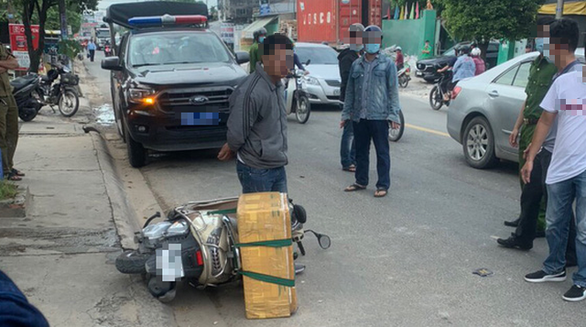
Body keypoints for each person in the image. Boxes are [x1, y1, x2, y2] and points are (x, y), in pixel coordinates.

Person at [497, 17, 577, 258]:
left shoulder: (576, 74)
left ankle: (570, 254)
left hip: (557, 147)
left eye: (548, 40)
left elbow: (564, 117)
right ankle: (524, 237)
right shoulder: (550, 70)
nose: (544, 44)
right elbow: (538, 107)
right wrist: (527, 139)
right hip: (542, 140)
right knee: (532, 190)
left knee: (557, 200)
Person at [522, 18, 586, 302]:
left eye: (548, 42)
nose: (544, 47)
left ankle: (583, 280)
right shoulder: (560, 81)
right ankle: (554, 267)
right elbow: (546, 121)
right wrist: (531, 158)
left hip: (584, 167)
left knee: (584, 230)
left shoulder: (583, 74)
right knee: (555, 222)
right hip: (560, 164)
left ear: (559, 45)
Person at [504, 17, 559, 233]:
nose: (539, 40)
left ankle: (539, 222)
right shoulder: (536, 64)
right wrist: (517, 127)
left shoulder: (555, 67)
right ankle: (525, 216)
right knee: (523, 174)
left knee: (538, 178)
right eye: (538, 36)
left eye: (543, 36)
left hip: (542, 128)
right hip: (528, 125)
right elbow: (528, 99)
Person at [219, 33, 293, 194]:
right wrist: (231, 146)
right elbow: (238, 130)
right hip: (256, 170)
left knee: (280, 217)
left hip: (277, 165)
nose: (286, 64)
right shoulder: (252, 91)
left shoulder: (279, 85)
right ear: (266, 59)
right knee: (261, 219)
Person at [341, 25, 401, 198]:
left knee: (382, 152)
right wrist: (346, 115)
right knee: (360, 151)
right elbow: (350, 92)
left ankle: (382, 184)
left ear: (380, 41)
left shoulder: (387, 64)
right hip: (360, 116)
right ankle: (360, 180)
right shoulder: (356, 65)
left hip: (379, 117)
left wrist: (393, 115)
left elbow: (393, 91)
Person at [337, 23, 364, 173]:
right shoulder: (348, 57)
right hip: (349, 99)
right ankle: (346, 161)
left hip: (359, 100)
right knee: (349, 131)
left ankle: (353, 158)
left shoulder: (359, 55)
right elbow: (347, 81)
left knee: (357, 132)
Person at [0, 43, 22, 181]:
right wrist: (5, 64)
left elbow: (14, 64)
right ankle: (4, 170)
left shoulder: (1, 47)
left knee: (12, 132)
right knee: (0, 134)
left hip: (8, 94)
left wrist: (3, 65)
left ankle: (9, 165)